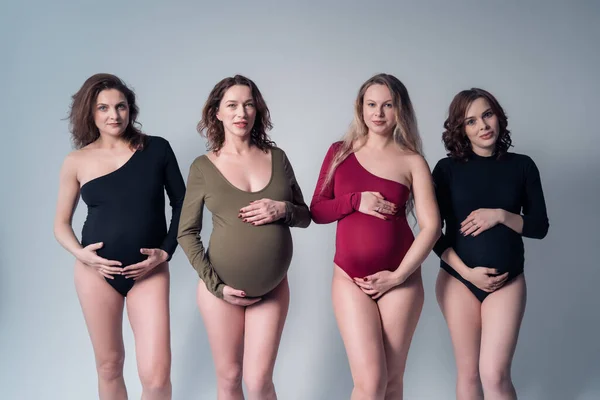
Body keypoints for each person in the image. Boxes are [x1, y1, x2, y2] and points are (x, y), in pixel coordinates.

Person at [177, 75, 310, 400]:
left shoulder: (277, 158)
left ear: (257, 111)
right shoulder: (203, 167)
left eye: (249, 104)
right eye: (232, 105)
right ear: (217, 112)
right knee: (230, 378)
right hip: (220, 290)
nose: (241, 112)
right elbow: (186, 232)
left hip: (272, 288)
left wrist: (283, 209)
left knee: (259, 379)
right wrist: (215, 285)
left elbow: (305, 215)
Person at [53, 73, 185, 399]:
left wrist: (166, 252)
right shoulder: (76, 161)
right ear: (91, 113)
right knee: (109, 366)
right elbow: (61, 223)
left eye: (121, 106)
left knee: (156, 375)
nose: (114, 115)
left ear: (130, 109)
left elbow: (184, 204)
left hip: (148, 271)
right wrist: (82, 255)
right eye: (104, 108)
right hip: (96, 273)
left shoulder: (157, 149)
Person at [310, 73, 440, 400]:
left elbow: (432, 226)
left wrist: (397, 277)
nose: (378, 113)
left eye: (387, 105)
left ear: (400, 111)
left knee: (392, 383)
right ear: (361, 108)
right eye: (371, 104)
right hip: (349, 279)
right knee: (370, 384)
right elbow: (318, 211)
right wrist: (356, 200)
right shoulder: (340, 151)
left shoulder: (412, 161)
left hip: (401, 280)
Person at [432, 88, 549, 400]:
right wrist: (467, 273)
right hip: (458, 280)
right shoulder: (446, 170)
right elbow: (434, 234)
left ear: (498, 116)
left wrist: (500, 215)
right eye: (471, 121)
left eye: (487, 114)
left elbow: (539, 227)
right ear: (461, 129)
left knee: (494, 375)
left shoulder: (522, 166)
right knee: (469, 374)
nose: (483, 125)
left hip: (507, 282)